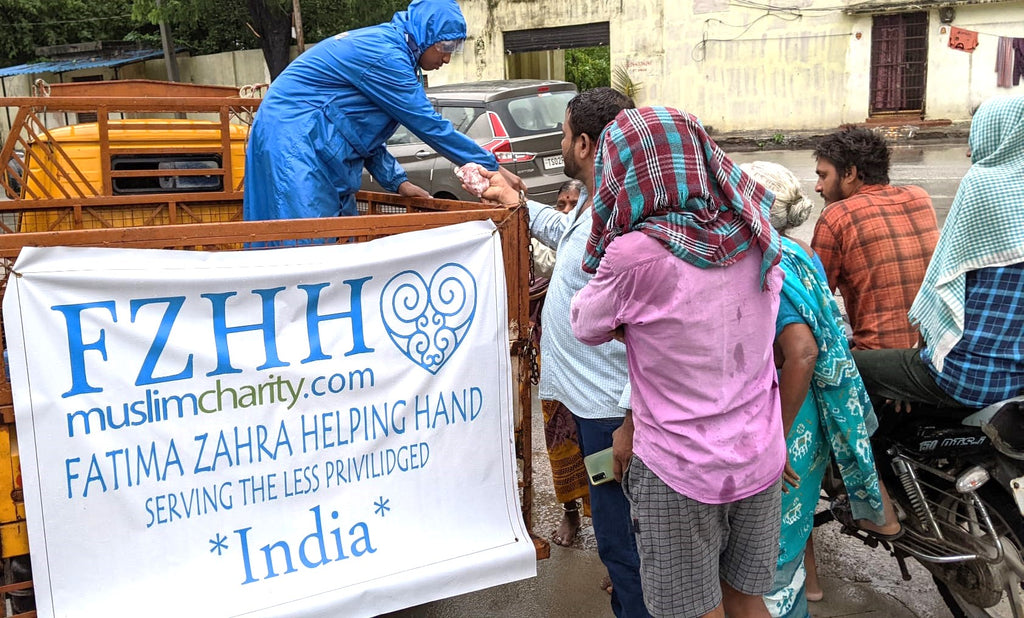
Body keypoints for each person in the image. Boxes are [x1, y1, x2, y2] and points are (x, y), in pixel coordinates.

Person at [570, 106, 785, 618]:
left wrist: (637, 321)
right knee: (745, 599)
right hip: (758, 455)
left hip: (679, 470)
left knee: (694, 610)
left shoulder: (635, 255)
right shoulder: (752, 231)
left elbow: (586, 323)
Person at [478, 88, 649, 618]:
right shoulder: (599, 203)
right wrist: (521, 207)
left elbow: (644, 331)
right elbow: (569, 237)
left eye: (563, 133)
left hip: (608, 415)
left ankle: (638, 605)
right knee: (617, 532)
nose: (558, 142)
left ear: (585, 143)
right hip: (589, 408)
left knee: (624, 538)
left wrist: (628, 421)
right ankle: (630, 595)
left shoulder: (626, 217)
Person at [243, 0, 520, 240]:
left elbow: (360, 132)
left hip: (311, 138)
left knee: (342, 236)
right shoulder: (387, 56)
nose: (447, 58)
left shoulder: (395, 55)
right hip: (293, 138)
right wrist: (491, 165)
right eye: (444, 47)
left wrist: (399, 183)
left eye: (455, 48)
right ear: (425, 36)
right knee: (308, 240)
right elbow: (429, 125)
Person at [742, 162, 886, 618]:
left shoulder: (767, 262)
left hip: (791, 415)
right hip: (812, 411)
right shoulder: (799, 251)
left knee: (771, 544)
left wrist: (776, 436)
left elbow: (801, 352)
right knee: (794, 523)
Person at [854, 95, 1024, 415]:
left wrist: (917, 363)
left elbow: (943, 282)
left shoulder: (983, 184)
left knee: (842, 366)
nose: (969, 150)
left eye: (977, 135)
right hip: (1018, 380)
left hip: (967, 377)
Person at [810, 127, 939, 350]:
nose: (818, 186)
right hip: (928, 350)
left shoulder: (836, 216)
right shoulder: (920, 198)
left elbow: (816, 304)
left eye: (823, 175)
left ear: (849, 174)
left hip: (875, 358)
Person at [530, 178, 587, 548]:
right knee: (561, 444)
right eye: (560, 204)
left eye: (572, 204)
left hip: (591, 369)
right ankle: (570, 514)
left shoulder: (585, 240)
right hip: (556, 369)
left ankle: (611, 530)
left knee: (601, 453)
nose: (565, 211)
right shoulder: (552, 241)